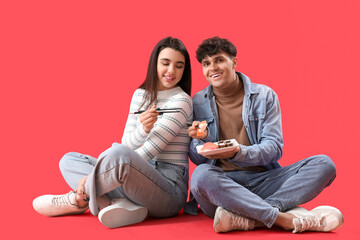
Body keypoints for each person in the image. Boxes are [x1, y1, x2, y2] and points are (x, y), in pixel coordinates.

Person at [186, 37, 343, 234]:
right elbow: (197, 158)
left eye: (219, 60)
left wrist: (238, 152)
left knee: (324, 164)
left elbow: (274, 149)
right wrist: (199, 140)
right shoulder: (198, 101)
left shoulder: (264, 96)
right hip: (223, 187)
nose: (212, 68)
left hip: (265, 180)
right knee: (200, 176)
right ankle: (282, 218)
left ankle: (254, 217)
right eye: (206, 63)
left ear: (233, 62)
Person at [33, 37, 193, 228]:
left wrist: (96, 173)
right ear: (154, 63)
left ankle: (78, 199)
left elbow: (147, 151)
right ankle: (120, 205)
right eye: (165, 63)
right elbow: (127, 143)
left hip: (168, 191)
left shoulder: (181, 101)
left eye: (179, 66)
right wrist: (142, 130)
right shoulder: (140, 95)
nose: (171, 71)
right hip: (134, 179)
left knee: (119, 154)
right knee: (69, 160)